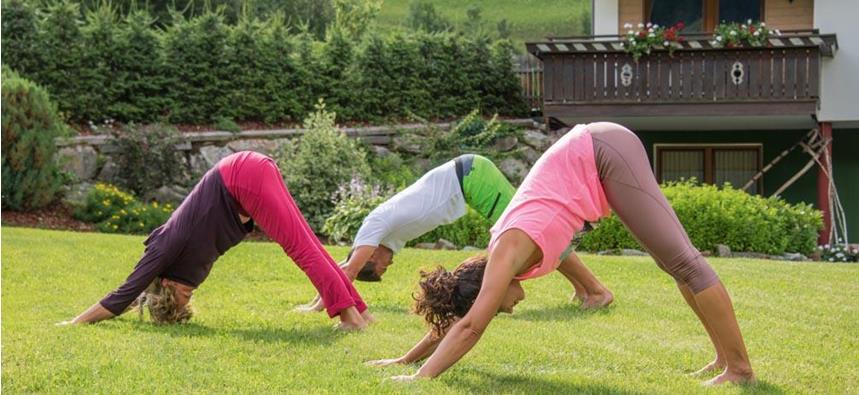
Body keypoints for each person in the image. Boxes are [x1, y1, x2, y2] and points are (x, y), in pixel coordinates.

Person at [368, 123, 754, 385]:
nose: (509, 308)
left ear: (489, 289)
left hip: (602, 151)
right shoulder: (499, 262)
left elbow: (471, 326)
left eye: (499, 307)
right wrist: (406, 360)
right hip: (596, 153)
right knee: (675, 265)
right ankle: (724, 359)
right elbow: (461, 319)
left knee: (684, 261)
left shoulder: (505, 253)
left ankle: (739, 368)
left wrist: (419, 381)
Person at [59, 151, 371, 330]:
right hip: (245, 179)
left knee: (302, 249)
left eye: (181, 299)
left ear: (166, 287)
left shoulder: (166, 247)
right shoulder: (178, 274)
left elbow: (124, 294)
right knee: (309, 245)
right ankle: (359, 310)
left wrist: (76, 322)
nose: (188, 298)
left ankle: (350, 317)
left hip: (241, 177)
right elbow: (134, 301)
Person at [296, 154, 613, 313]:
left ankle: (596, 291)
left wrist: (318, 304)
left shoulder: (374, 225)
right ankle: (583, 290)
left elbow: (347, 269)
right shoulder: (388, 233)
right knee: (533, 237)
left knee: (532, 237)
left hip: (471, 176)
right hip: (470, 180)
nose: (386, 267)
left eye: (378, 267)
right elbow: (345, 264)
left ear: (371, 253)